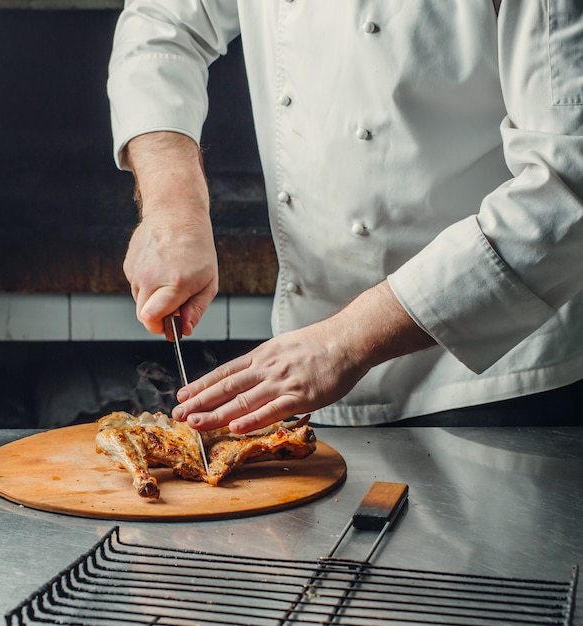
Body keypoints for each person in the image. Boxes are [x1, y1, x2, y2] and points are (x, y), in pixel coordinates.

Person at [108, 1, 583, 433]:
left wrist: (346, 341)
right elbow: (162, 22)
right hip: (304, 374)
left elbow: (566, 188)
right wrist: (173, 205)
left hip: (500, 376)